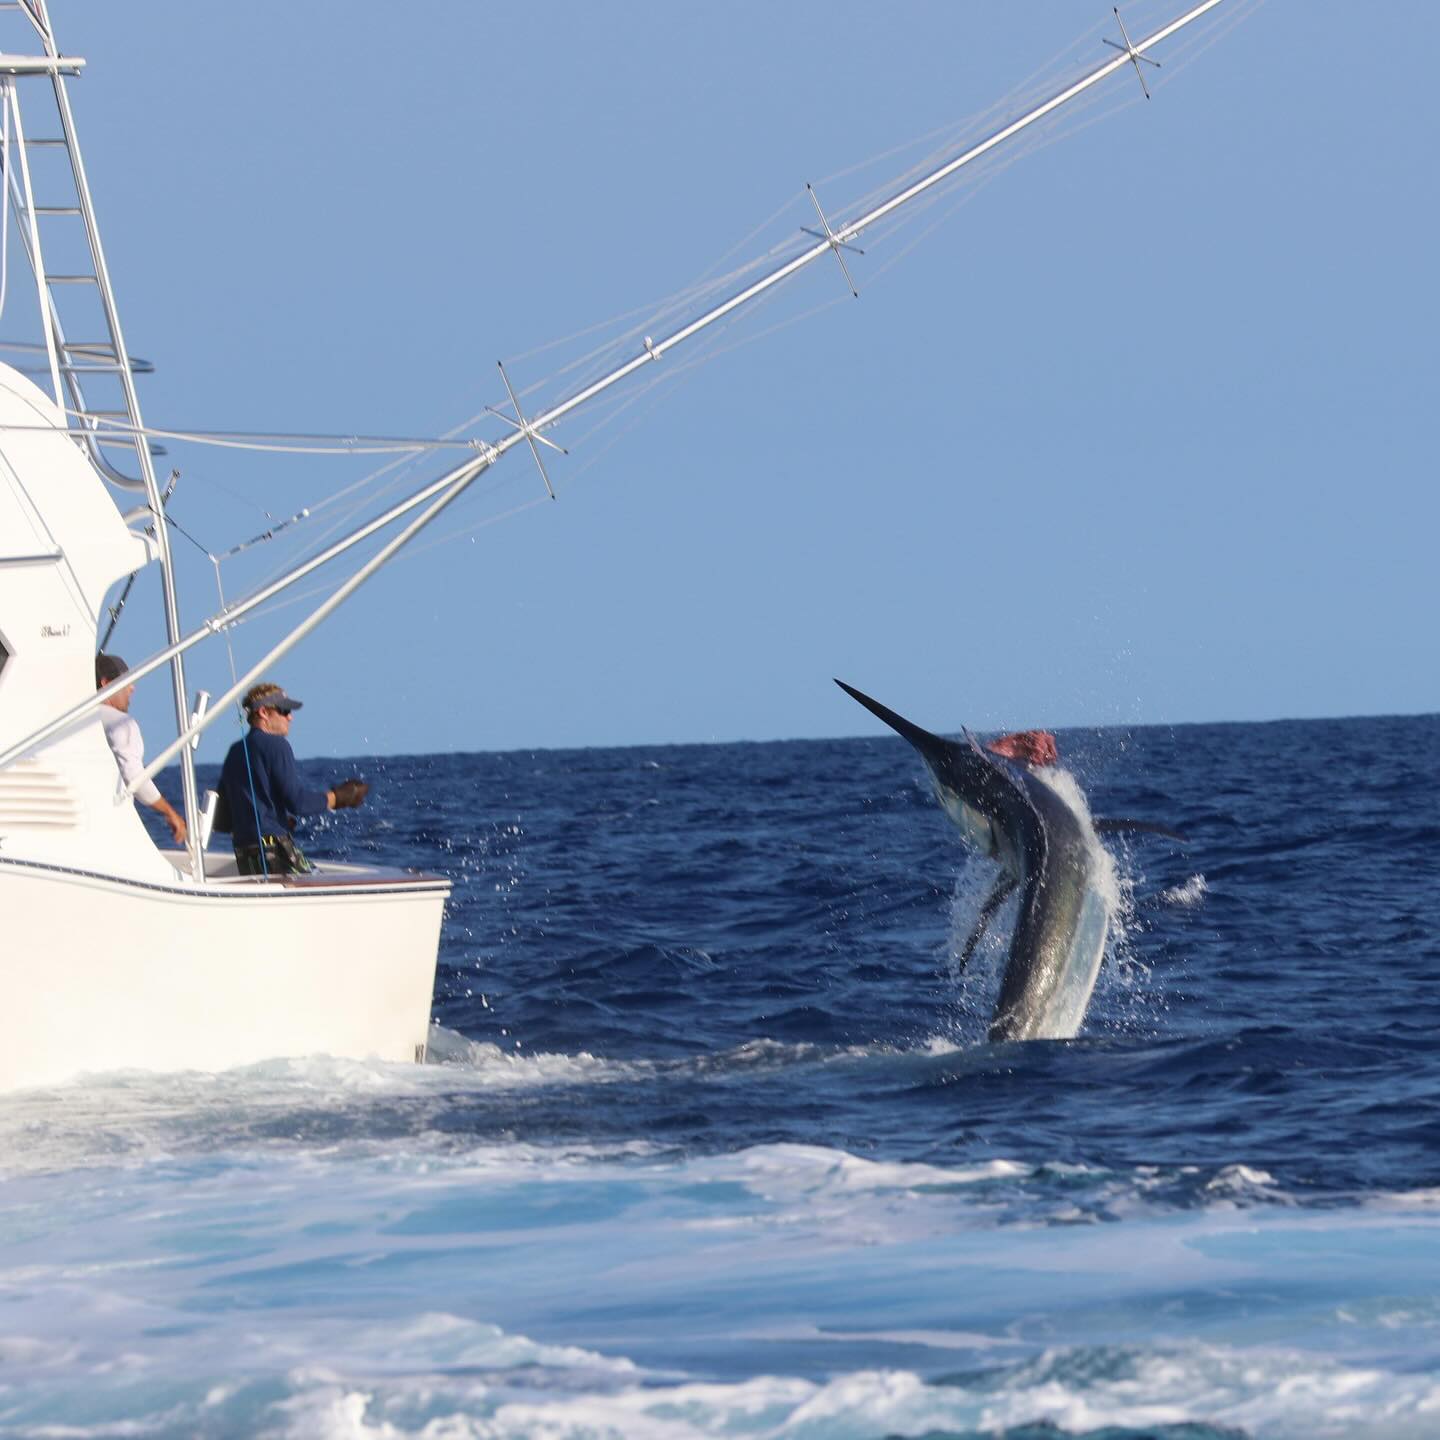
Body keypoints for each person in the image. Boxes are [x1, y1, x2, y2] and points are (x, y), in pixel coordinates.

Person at [214, 681, 368, 876]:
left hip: (245, 852)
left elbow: (222, 820)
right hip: (274, 847)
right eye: (284, 711)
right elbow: (298, 803)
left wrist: (276, 821)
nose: (291, 718)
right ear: (263, 712)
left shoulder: (235, 751)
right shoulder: (277, 745)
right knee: (320, 882)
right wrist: (340, 798)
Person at [95, 652, 188, 845]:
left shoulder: (71, 720)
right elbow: (134, 776)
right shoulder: (120, 723)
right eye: (126, 682)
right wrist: (169, 812)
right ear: (105, 683)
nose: (132, 688)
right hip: (107, 829)